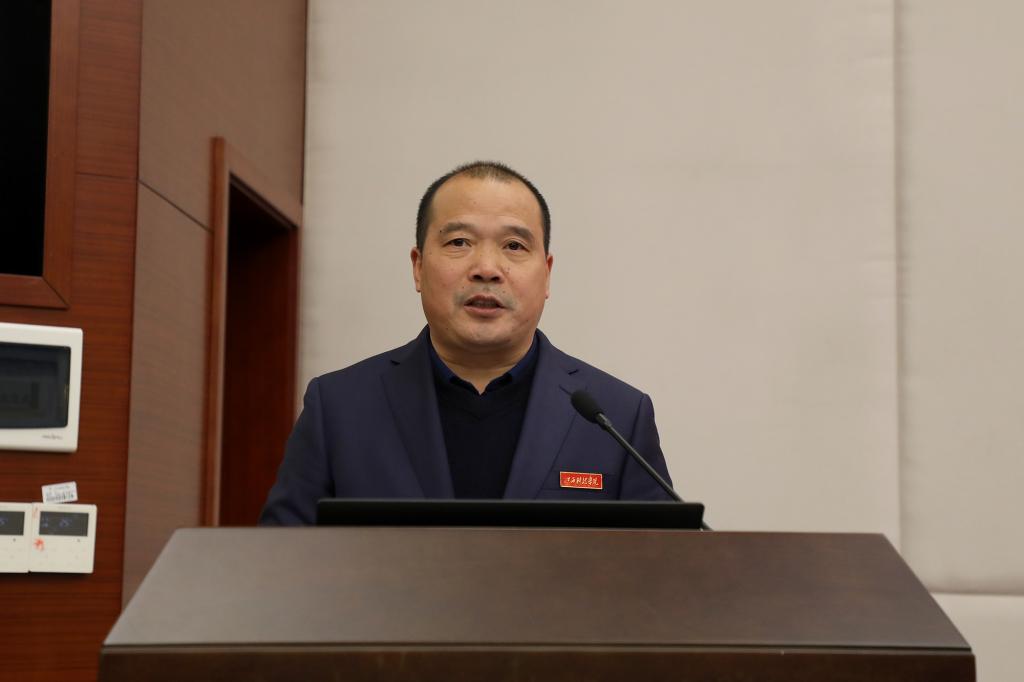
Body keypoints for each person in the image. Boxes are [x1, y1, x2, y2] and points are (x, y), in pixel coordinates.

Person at [259, 161, 673, 525]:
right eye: (459, 242)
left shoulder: (617, 417)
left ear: (546, 274)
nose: (487, 268)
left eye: (514, 246)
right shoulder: (338, 407)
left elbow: (664, 570)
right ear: (418, 267)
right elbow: (280, 567)